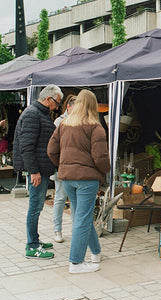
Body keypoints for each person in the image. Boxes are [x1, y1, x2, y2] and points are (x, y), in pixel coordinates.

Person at [47, 89, 109, 273]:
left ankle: (96, 253)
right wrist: (106, 172)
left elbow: (51, 150)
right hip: (86, 179)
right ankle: (76, 262)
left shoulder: (64, 124)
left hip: (67, 178)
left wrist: (63, 165)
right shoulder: (95, 127)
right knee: (82, 218)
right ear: (93, 105)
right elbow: (101, 157)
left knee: (82, 216)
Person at [13, 85, 63, 259]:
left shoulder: (39, 113)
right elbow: (26, 146)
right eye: (56, 102)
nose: (57, 107)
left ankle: (34, 239)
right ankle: (32, 246)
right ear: (48, 99)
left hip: (41, 168)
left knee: (37, 206)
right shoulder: (33, 114)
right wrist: (33, 171)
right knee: (35, 207)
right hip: (37, 170)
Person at [51, 94, 76, 243]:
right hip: (62, 164)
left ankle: (75, 229)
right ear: (69, 106)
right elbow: (54, 146)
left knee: (74, 199)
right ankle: (57, 229)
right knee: (60, 197)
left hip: (75, 166)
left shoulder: (79, 121)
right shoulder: (59, 122)